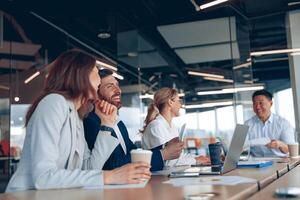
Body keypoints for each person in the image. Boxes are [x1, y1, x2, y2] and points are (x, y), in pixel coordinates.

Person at [6, 50, 150, 192]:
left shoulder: (76, 115)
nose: (99, 77)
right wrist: (110, 176)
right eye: (95, 69)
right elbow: (43, 177)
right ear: (81, 74)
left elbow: (89, 168)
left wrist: (106, 125)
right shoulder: (54, 102)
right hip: (25, 195)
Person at [83, 69, 183, 171]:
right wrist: (163, 154)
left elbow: (133, 153)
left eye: (117, 85)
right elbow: (111, 165)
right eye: (110, 86)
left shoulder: (118, 123)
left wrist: (164, 148)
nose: (118, 90)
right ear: (96, 93)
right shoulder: (91, 122)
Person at [141, 88, 210, 167]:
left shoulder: (173, 127)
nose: (180, 105)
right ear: (170, 102)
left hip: (169, 175)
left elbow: (178, 156)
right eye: (179, 101)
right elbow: (167, 162)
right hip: (158, 177)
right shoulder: (156, 127)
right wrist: (195, 160)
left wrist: (200, 158)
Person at [245, 89, 295, 157]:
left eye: (261, 103)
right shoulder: (247, 124)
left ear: (270, 103)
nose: (257, 107)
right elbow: (242, 147)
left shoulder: (283, 123)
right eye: (254, 103)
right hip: (256, 163)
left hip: (279, 162)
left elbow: (291, 150)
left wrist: (280, 144)